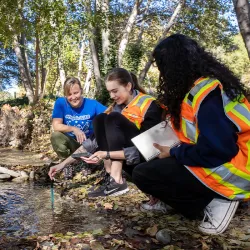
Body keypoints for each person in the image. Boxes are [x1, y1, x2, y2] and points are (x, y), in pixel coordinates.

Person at [132, 34, 250, 235]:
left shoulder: (207, 94)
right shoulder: (199, 89)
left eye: (162, 68)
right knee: (140, 159)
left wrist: (174, 153)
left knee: (143, 174)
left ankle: (217, 201)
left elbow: (217, 151)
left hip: (235, 169)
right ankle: (195, 198)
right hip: (220, 158)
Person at [81, 68, 162, 197]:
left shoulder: (150, 105)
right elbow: (92, 141)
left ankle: (116, 179)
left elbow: (149, 150)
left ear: (128, 86)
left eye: (115, 91)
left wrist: (106, 154)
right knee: (100, 118)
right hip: (124, 157)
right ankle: (110, 176)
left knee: (113, 118)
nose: (112, 96)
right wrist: (62, 164)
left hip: (144, 158)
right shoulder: (117, 106)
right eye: (109, 92)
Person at [50, 77, 106, 178]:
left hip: (88, 146)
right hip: (72, 143)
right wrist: (74, 129)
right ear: (65, 95)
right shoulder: (60, 103)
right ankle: (67, 163)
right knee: (56, 136)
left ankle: (86, 163)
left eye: (76, 93)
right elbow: (56, 125)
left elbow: (110, 115)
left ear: (81, 91)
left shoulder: (92, 104)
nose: (73, 97)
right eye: (69, 94)